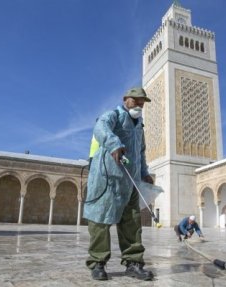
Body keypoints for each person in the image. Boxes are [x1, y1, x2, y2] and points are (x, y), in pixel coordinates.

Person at [83, 87, 154, 281]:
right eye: (136, 101)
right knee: (100, 219)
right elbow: (100, 129)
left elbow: (140, 152)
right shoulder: (112, 115)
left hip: (129, 182)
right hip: (108, 178)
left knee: (132, 222)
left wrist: (144, 173)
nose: (139, 105)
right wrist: (114, 143)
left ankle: (133, 263)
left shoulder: (140, 126)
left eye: (142, 102)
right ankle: (98, 262)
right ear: (126, 100)